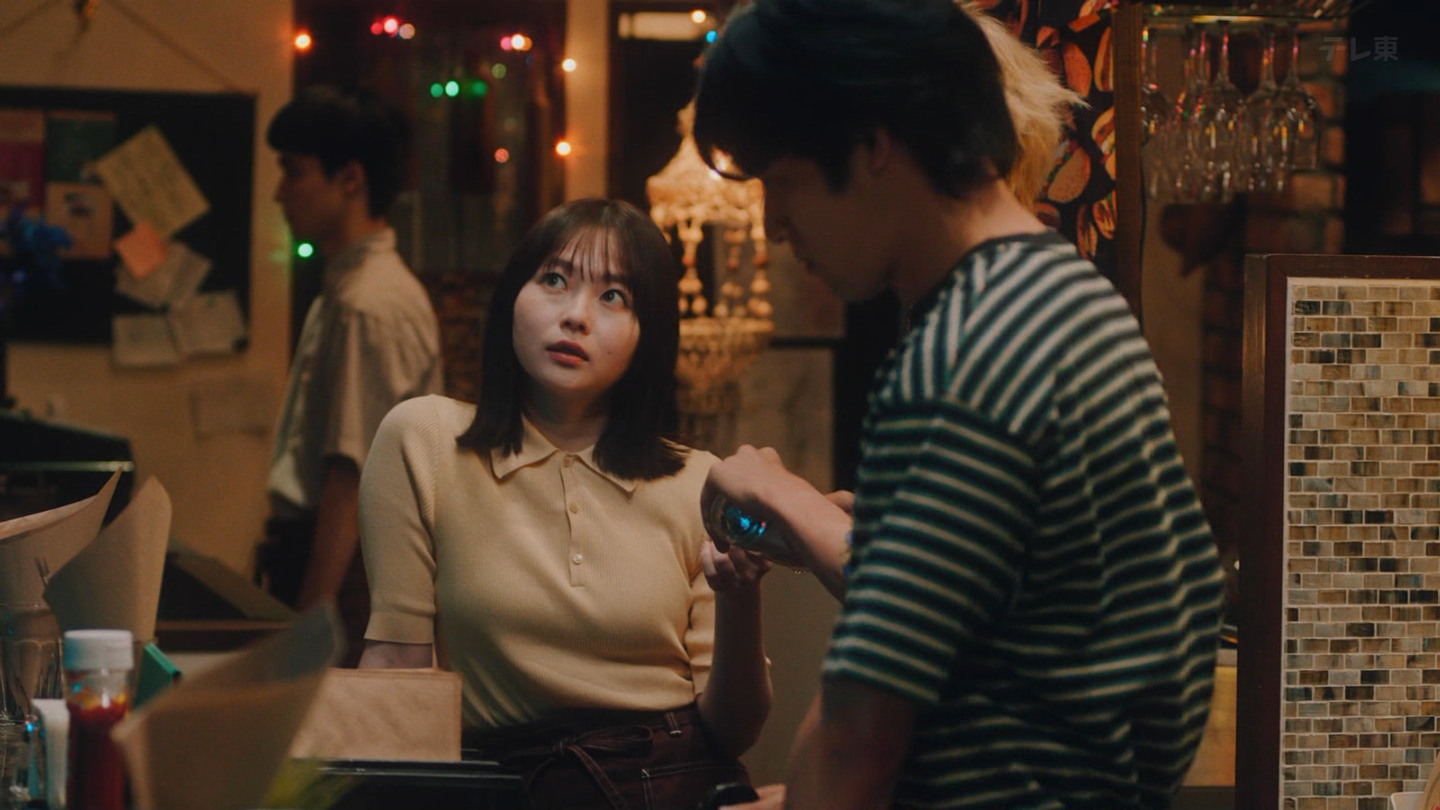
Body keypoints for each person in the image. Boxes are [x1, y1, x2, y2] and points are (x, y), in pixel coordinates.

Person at [691, 1, 1226, 808]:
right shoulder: (1071, 296)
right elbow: (1175, 652)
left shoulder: (961, 354)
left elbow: (858, 737)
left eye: (783, 181)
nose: (774, 225)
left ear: (871, 143)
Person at [356, 198, 772, 810]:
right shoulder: (424, 441)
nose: (575, 315)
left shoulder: (699, 481)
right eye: (554, 280)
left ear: (649, 335)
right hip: (511, 785)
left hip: (674, 779)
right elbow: (398, 667)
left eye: (614, 297)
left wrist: (741, 597)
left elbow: (733, 730)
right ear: (512, 298)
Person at [258, 85, 443, 667]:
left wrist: (311, 615)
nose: (280, 192)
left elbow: (351, 472)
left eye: (294, 171)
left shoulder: (370, 301)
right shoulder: (348, 288)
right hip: (335, 561)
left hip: (354, 574)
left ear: (350, 179)